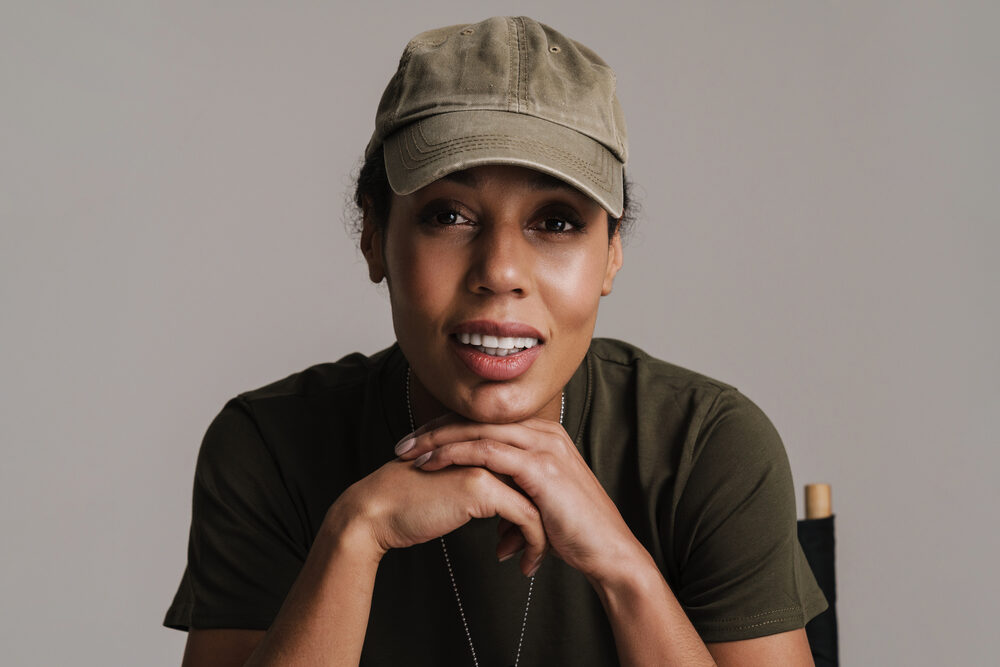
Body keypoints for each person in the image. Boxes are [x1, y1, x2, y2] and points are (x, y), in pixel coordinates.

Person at [164, 16, 827, 666]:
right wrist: (355, 533)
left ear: (612, 255)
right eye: (448, 215)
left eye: (557, 220)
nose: (501, 271)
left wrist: (624, 569)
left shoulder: (703, 449)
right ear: (373, 234)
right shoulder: (270, 446)